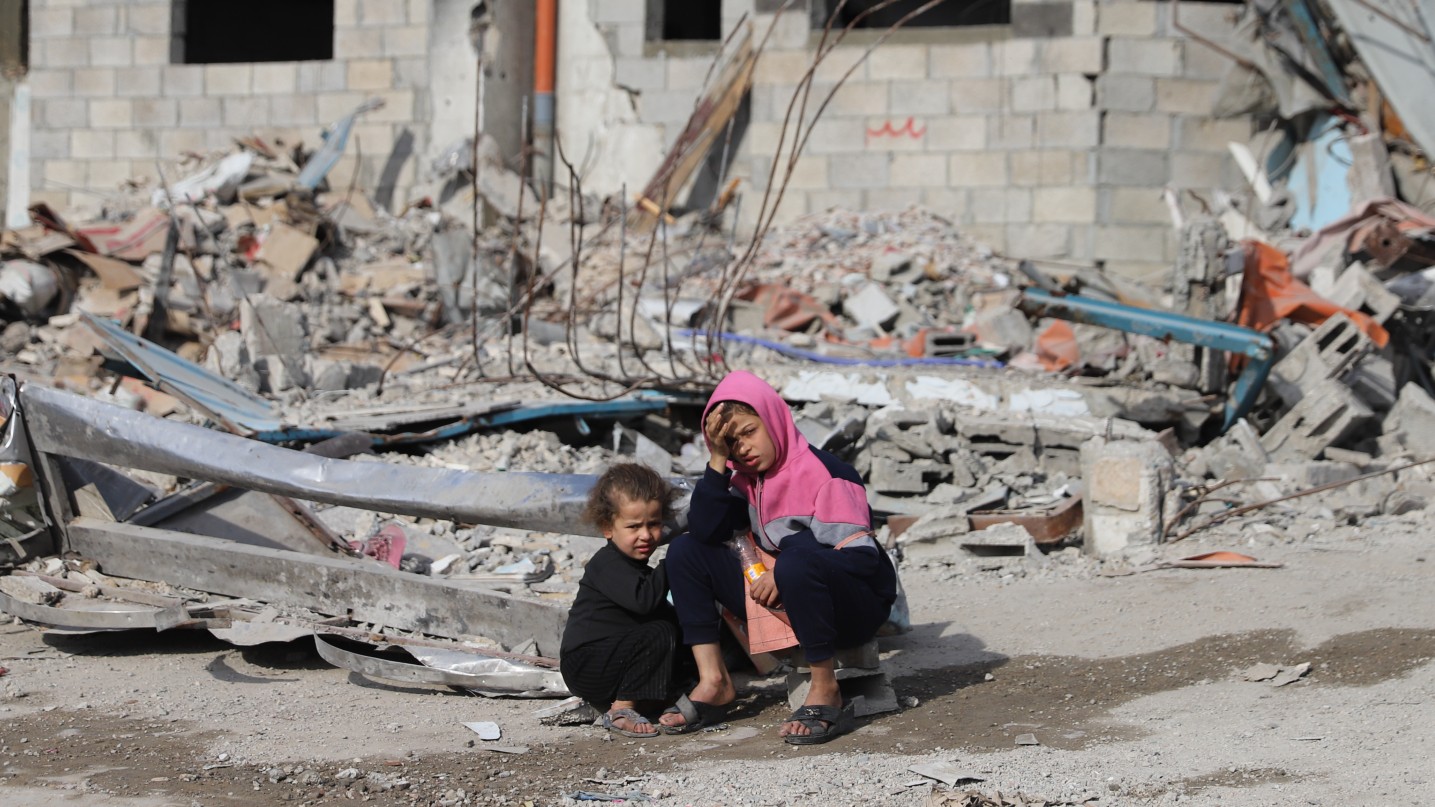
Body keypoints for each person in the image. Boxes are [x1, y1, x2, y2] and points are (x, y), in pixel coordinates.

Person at [659, 371, 896, 744]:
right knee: (686, 550)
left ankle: (825, 686)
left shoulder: (827, 474)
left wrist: (786, 570)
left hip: (850, 608)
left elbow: (862, 561)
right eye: (730, 442)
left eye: (749, 432)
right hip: (789, 599)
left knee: (795, 560)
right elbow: (705, 531)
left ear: (773, 419)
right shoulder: (745, 479)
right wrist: (718, 462)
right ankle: (714, 680)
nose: (743, 448)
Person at [560, 463, 684, 738]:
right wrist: (673, 561)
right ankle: (621, 708)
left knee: (673, 623)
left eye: (653, 524)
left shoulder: (636, 569)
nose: (646, 535)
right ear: (608, 528)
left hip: (613, 659)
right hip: (585, 664)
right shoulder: (607, 564)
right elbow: (644, 601)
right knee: (659, 631)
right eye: (633, 526)